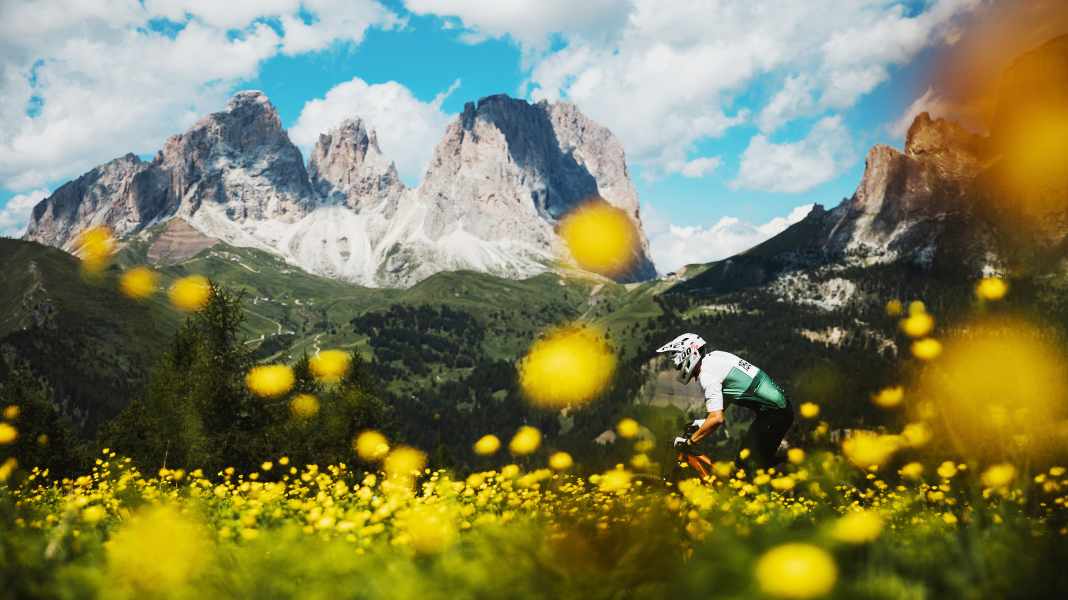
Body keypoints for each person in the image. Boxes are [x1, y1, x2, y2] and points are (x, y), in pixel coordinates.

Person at [657, 333, 793, 469]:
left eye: (679, 365)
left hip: (775, 413)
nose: (678, 369)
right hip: (776, 410)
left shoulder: (707, 374)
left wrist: (690, 443)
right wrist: (702, 423)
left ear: (689, 356)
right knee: (748, 461)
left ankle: (792, 474)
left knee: (747, 464)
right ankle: (787, 466)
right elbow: (725, 397)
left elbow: (717, 418)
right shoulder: (715, 357)